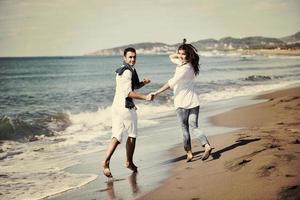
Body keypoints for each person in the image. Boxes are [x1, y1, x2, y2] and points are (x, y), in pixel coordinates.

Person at [151, 39, 212, 162]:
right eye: (179, 54)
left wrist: (156, 93)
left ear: (188, 55)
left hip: (181, 103)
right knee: (194, 126)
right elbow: (171, 56)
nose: (180, 56)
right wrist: (181, 52)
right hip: (194, 102)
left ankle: (189, 153)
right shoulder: (189, 65)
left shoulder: (184, 69)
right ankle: (206, 145)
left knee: (185, 129)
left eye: (183, 54)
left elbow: (170, 83)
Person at [102, 47, 153, 177]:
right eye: (130, 57)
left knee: (117, 136)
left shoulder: (123, 70)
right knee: (132, 134)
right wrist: (145, 97)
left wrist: (143, 83)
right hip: (125, 107)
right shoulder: (128, 72)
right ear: (124, 58)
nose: (132, 59)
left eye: (134, 57)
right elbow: (128, 93)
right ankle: (129, 162)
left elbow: (133, 86)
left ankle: (106, 162)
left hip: (116, 107)